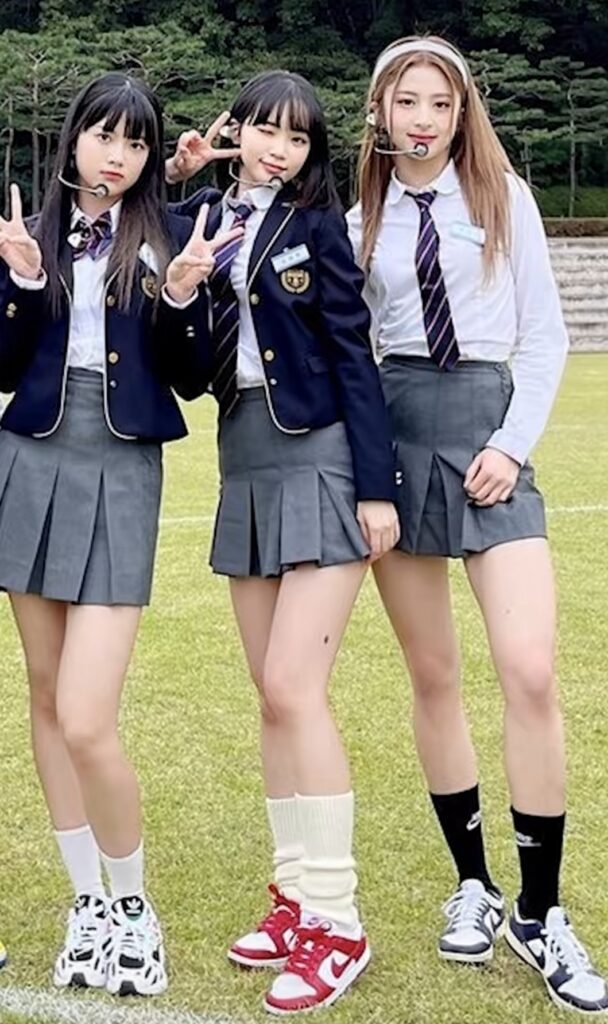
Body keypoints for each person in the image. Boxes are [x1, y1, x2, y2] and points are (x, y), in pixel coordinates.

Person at [346, 35, 608, 1015]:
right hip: (398, 433)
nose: (422, 119)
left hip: (489, 428)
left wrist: (509, 441)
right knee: (434, 675)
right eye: (406, 101)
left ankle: (540, 909)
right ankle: (474, 884)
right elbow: (351, 348)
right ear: (379, 111)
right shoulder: (358, 216)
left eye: (440, 104)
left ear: (461, 115)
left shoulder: (503, 198)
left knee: (528, 670)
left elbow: (543, 332)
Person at [166, 69, 399, 1014]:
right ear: (237, 132)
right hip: (246, 462)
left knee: (297, 688)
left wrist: (376, 490)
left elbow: (353, 353)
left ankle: (338, 921)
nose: (279, 149)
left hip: (323, 459)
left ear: (312, 152)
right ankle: (295, 897)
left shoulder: (318, 227)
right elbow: (184, 363)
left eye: (298, 138)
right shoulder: (200, 218)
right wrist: (180, 197)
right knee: (271, 697)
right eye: (265, 130)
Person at [0, 71, 233, 997]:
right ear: (75, 139)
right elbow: (4, 365)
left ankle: (134, 908)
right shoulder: (31, 230)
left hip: (123, 468)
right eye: (104, 135)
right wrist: (22, 281)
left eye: (136, 143)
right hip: (30, 463)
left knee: (88, 716)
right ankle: (86, 902)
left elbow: (191, 377)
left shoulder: (172, 231)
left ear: (149, 156)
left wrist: (179, 295)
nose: (118, 155)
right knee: (46, 697)